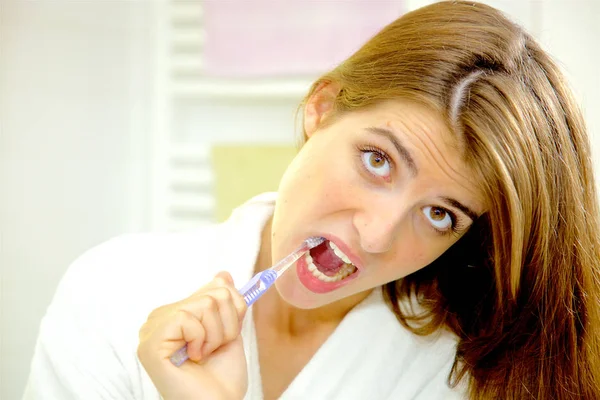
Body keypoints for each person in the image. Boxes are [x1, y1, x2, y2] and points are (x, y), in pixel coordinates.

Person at [23, 1, 600, 399]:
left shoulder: (459, 374)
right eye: (378, 160)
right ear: (323, 106)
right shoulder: (111, 291)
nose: (377, 237)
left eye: (439, 214)